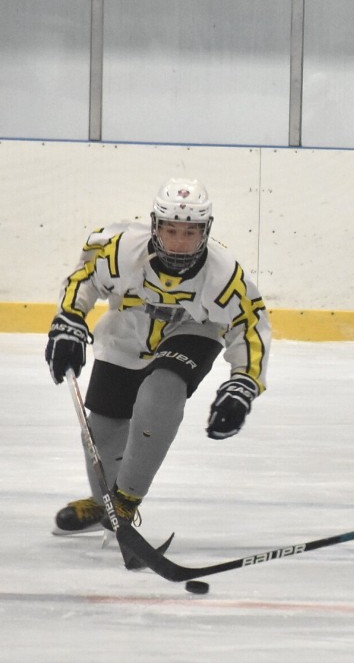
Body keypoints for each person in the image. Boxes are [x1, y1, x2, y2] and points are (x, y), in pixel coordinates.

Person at [45, 177, 271, 535]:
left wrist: (244, 381)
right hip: (128, 333)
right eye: (171, 230)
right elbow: (84, 279)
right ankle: (106, 500)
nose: (180, 242)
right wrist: (69, 319)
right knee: (102, 430)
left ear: (205, 231)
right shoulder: (121, 250)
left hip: (193, 332)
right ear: (155, 226)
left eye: (190, 232)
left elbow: (249, 324)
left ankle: (125, 502)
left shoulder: (223, 273)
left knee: (161, 389)